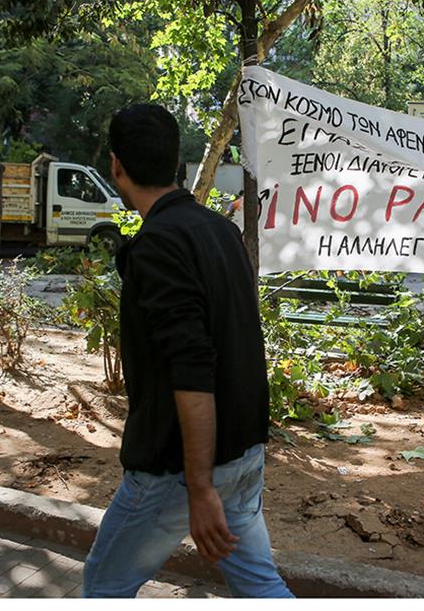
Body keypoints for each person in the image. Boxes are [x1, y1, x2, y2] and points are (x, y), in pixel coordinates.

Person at [82, 104, 292, 599]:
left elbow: (192, 369)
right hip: (243, 455)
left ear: (116, 166)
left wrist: (199, 488)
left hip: (179, 472)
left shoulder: (159, 243)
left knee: (103, 586)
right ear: (177, 162)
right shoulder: (218, 230)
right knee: (260, 586)